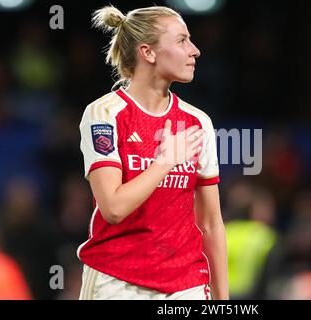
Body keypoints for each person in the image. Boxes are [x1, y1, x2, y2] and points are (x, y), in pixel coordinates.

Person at [77, 5, 228, 300]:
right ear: (148, 53)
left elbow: (211, 223)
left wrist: (222, 299)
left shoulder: (197, 122)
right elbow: (114, 208)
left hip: (186, 284)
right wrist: (166, 161)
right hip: (117, 282)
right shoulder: (104, 114)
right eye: (182, 40)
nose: (194, 50)